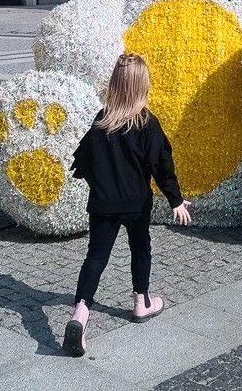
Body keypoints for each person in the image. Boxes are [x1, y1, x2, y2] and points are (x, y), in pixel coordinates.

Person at [63, 53, 191, 357]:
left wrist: (101, 185)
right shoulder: (147, 123)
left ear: (115, 84)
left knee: (95, 257)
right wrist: (175, 199)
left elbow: (82, 162)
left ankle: (80, 313)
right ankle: (141, 302)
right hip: (136, 204)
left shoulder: (101, 120)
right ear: (142, 85)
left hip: (103, 204)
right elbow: (162, 165)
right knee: (140, 248)